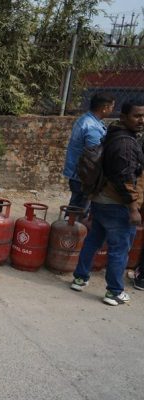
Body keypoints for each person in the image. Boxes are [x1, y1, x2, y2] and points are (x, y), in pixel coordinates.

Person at [70, 101, 144, 306]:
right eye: (137, 116)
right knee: (119, 249)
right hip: (117, 204)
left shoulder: (112, 134)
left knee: (93, 240)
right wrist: (133, 208)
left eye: (143, 116)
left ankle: (80, 278)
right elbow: (124, 178)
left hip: (100, 199)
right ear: (123, 117)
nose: (141, 120)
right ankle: (114, 292)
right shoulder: (126, 144)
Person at [62, 93, 115, 212]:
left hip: (78, 173)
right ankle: (72, 223)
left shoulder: (87, 120)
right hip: (85, 175)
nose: (112, 110)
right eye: (112, 107)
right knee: (81, 209)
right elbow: (95, 155)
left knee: (75, 206)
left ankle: (70, 222)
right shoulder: (92, 127)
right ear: (105, 108)